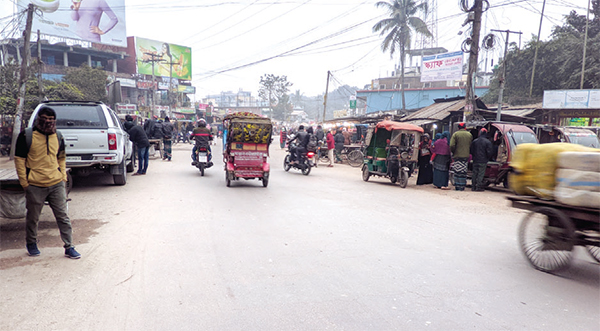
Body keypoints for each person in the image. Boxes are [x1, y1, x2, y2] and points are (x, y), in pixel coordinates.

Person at [14, 106, 81, 259]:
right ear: (38, 119)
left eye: (51, 120)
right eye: (45, 119)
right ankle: (31, 243)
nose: (48, 122)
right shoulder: (26, 136)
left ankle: (69, 246)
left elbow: (62, 157)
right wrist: (25, 183)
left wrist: (62, 176)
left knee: (63, 217)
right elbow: (19, 160)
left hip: (56, 183)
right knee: (33, 217)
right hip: (35, 185)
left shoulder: (57, 136)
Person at [449, 123, 473, 191]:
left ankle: (457, 186)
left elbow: (451, 145)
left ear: (458, 128)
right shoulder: (469, 135)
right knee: (463, 171)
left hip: (457, 155)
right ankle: (462, 186)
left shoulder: (455, 134)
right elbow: (470, 145)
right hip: (466, 156)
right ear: (465, 127)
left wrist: (454, 152)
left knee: (457, 171)